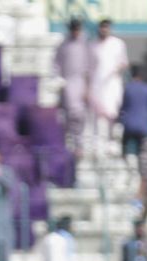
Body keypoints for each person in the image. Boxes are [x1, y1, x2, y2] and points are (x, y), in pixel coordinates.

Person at [89, 19, 128, 159]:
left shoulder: (117, 44)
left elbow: (124, 63)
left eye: (107, 27)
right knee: (97, 116)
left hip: (112, 85)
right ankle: (98, 145)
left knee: (113, 114)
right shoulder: (92, 45)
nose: (104, 30)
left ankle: (112, 144)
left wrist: (113, 72)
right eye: (102, 27)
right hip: (97, 85)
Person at [53, 19, 91, 158]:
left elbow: (88, 68)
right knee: (68, 115)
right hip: (67, 83)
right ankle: (69, 145)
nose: (76, 32)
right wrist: (58, 82)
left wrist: (88, 88)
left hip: (81, 83)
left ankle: (79, 146)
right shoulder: (64, 45)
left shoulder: (85, 44)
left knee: (80, 116)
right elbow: (56, 65)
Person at [119, 65, 147, 169]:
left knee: (124, 146)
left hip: (129, 125)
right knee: (142, 150)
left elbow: (123, 107)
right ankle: (141, 170)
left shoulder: (128, 88)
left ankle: (125, 166)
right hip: (144, 126)